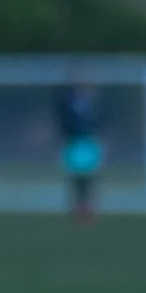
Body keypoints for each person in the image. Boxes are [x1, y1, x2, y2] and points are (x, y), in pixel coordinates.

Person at [55, 80, 104, 221]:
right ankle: (78, 209)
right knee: (76, 178)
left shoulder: (93, 108)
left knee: (89, 178)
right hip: (74, 143)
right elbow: (64, 125)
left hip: (88, 144)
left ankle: (89, 208)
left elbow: (99, 124)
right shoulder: (67, 106)